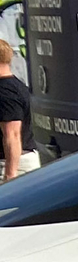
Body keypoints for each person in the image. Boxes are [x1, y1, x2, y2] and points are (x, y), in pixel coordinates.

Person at [0, 42, 28, 179]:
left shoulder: (5, 92)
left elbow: (13, 134)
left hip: (11, 166)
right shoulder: (17, 85)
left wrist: (10, 175)